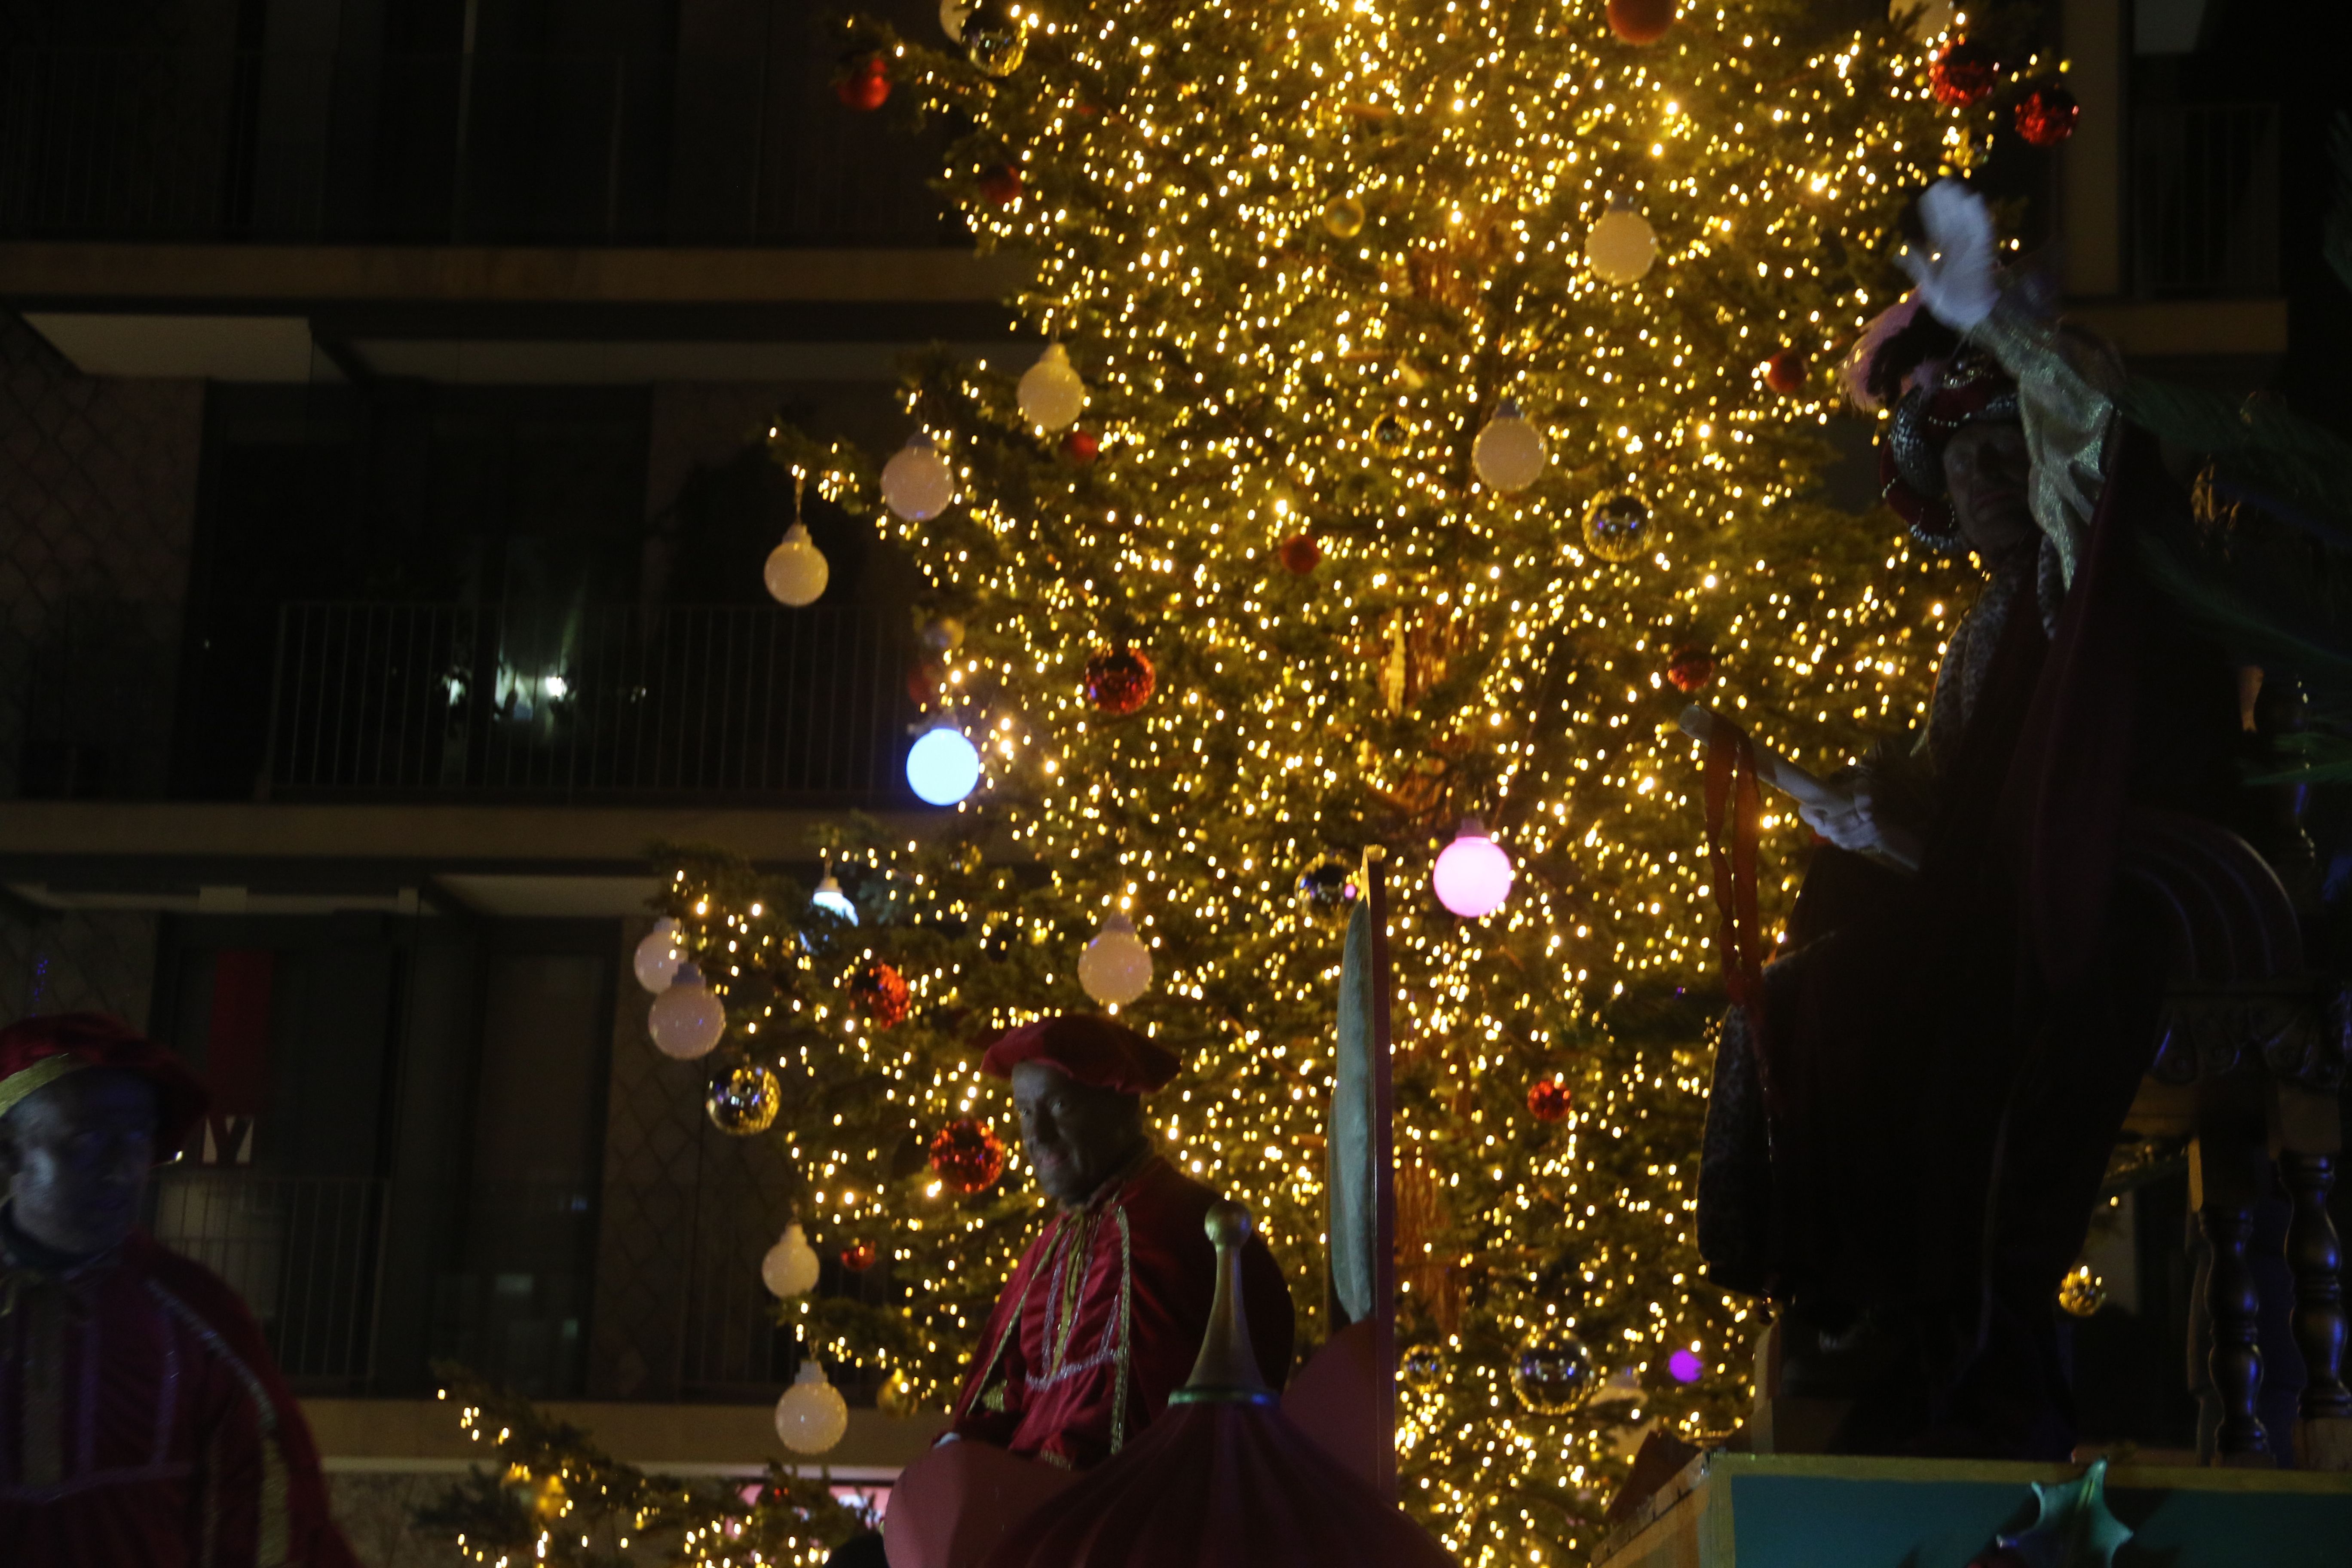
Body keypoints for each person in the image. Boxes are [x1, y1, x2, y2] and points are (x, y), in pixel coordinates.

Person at [1696, 180, 2242, 1456]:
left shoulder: (2082, 567)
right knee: (1813, 968)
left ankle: (1927, 1333)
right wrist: (1841, 806)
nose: (1987, 475)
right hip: (1981, 893)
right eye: (1961, 455)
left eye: (2007, 447)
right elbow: (1945, 803)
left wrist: (1996, 316)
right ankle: (1849, 1309)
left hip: (2100, 894)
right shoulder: (1993, 613)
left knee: (1870, 991)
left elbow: (2089, 449)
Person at [0, 1011, 358, 1567]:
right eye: (90, 1139)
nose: (125, 1170)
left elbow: (268, 1511)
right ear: (10, 1154)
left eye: (139, 1137)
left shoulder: (197, 1317)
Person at [945, 1012, 1295, 1470]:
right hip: (1026, 1502)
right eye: (1026, 1112)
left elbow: (1177, 1423)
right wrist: (964, 1451)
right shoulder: (1050, 1246)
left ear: (1122, 1108)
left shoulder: (1188, 1228)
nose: (1036, 1135)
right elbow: (1005, 1391)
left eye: (1061, 1107)